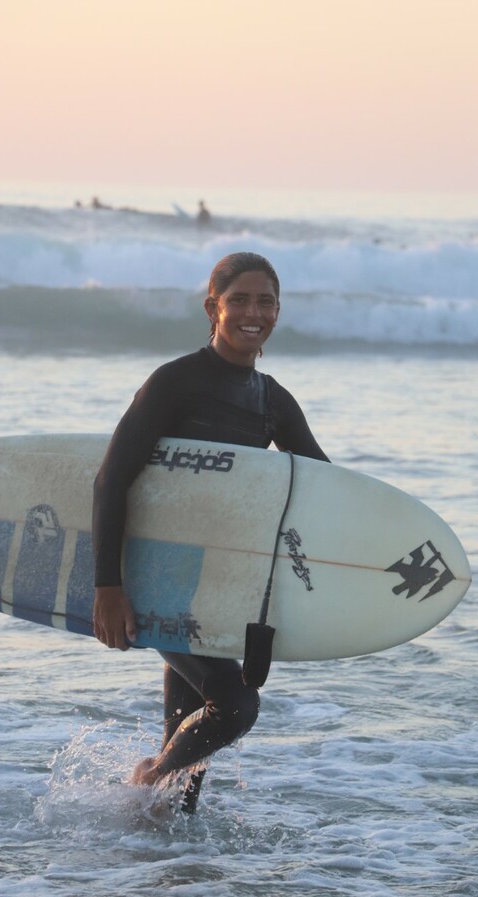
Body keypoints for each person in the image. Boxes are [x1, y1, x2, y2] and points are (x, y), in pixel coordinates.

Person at [92, 252, 329, 813]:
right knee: (235, 707)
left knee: (187, 785)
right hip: (157, 578)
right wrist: (108, 587)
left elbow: (321, 484)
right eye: (239, 300)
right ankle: (147, 780)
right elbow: (111, 479)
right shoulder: (174, 383)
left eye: (266, 302)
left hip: (216, 585)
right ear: (212, 308)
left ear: (278, 311)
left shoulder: (272, 401)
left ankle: (155, 849)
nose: (254, 313)